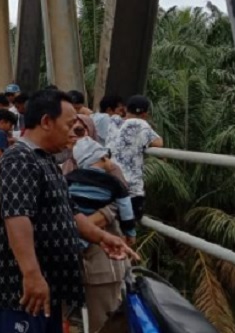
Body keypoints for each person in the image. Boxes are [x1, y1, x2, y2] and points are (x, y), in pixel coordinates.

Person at [0, 90, 136, 333]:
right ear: (46, 122)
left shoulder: (46, 161)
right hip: (21, 292)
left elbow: (71, 212)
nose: (72, 133)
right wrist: (32, 275)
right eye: (68, 125)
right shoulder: (20, 160)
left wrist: (102, 237)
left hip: (47, 287)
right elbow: (17, 218)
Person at [66, 137, 136, 332]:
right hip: (102, 264)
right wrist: (130, 233)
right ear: (103, 158)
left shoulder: (68, 179)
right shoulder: (114, 183)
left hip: (75, 254)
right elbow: (126, 210)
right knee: (105, 321)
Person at [106, 95, 163, 221]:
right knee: (129, 226)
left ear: (126, 109)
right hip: (130, 189)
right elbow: (158, 142)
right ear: (145, 114)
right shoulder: (140, 124)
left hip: (110, 182)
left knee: (112, 225)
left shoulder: (114, 121)